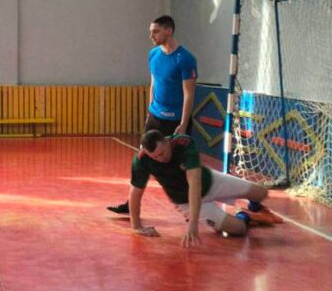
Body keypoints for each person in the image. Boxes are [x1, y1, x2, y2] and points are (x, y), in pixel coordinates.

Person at [117, 129, 281, 246]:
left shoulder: (183, 144)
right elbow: (135, 193)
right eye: (155, 157)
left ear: (167, 142)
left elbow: (194, 184)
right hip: (185, 202)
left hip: (209, 182)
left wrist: (193, 224)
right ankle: (245, 216)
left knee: (261, 192)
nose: (161, 159)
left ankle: (255, 208)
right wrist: (136, 227)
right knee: (238, 229)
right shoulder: (141, 160)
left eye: (163, 153)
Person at [108, 16, 198, 215]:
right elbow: (154, 83)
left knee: (179, 166)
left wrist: (183, 123)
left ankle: (195, 206)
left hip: (176, 121)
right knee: (142, 159)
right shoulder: (153, 54)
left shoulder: (185, 59)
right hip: (155, 117)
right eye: (151, 31)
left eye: (156, 31)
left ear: (169, 31)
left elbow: (189, 94)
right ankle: (131, 205)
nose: (151, 36)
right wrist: (150, 111)